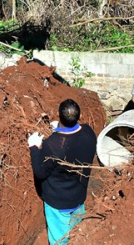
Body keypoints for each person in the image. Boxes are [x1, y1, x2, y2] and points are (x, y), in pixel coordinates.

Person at [28, 99, 97, 245]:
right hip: (78, 196)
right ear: (79, 116)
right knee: (78, 232)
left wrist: (34, 147)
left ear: (59, 116)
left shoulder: (51, 145)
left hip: (59, 204)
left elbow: (40, 172)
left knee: (60, 240)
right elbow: (73, 142)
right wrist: (58, 130)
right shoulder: (89, 133)